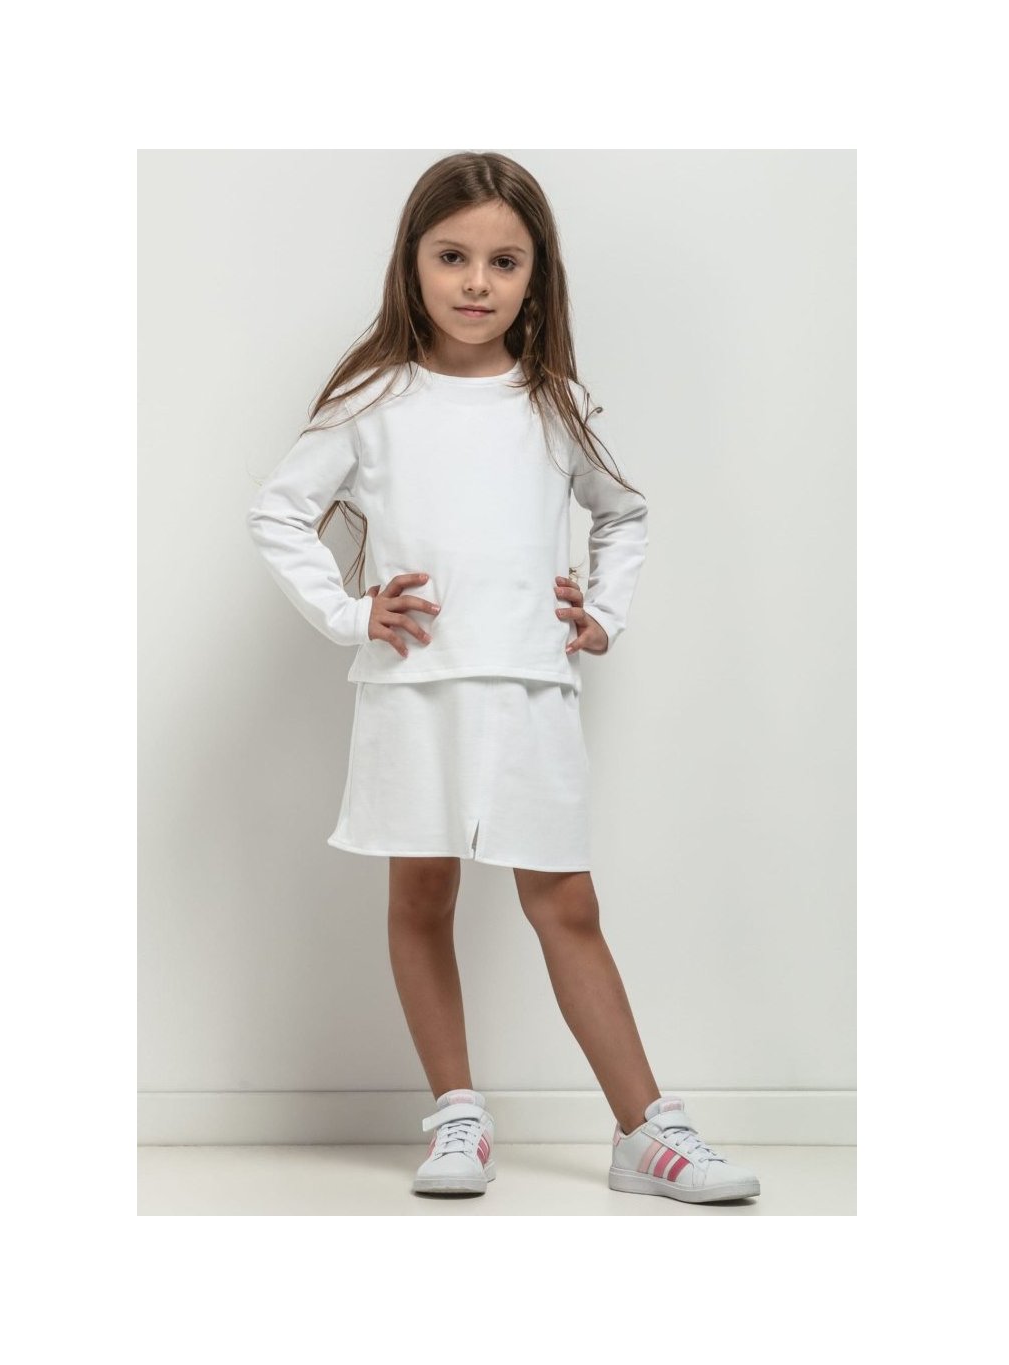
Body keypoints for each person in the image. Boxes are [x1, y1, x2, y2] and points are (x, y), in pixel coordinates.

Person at [247, 151, 760, 1205]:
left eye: (503, 262)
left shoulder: (552, 403)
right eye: (452, 257)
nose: (476, 282)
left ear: (536, 276)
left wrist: (602, 612)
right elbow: (278, 510)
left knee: (565, 900)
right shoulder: (372, 399)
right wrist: (351, 612)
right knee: (420, 892)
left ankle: (645, 1131)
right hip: (414, 685)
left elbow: (623, 513)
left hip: (529, 686)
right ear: (412, 262)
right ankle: (457, 1113)